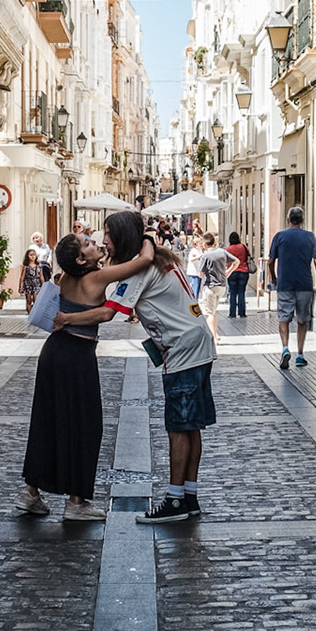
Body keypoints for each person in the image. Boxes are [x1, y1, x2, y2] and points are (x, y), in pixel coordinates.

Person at [62, 210, 217, 525]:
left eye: (107, 233)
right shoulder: (161, 257)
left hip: (182, 348)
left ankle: (175, 500)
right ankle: (189, 495)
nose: (103, 240)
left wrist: (65, 319)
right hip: (197, 342)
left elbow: (107, 314)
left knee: (178, 426)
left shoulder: (137, 271)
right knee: (191, 425)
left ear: (121, 237)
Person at [22, 232, 154, 521]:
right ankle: (76, 502)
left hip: (53, 352)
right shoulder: (98, 278)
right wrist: (146, 236)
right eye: (88, 244)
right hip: (77, 354)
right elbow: (145, 260)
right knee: (85, 426)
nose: (95, 243)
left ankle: (31, 493)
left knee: (46, 421)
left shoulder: (64, 278)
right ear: (82, 259)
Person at [266, 205, 316, 369]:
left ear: (288, 220)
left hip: (285, 284)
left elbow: (270, 261)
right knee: (302, 320)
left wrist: (274, 277)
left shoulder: (279, 236)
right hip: (305, 284)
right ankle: (300, 355)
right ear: (302, 220)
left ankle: (285, 348)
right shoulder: (310, 237)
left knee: (283, 318)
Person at [198, 237, 232, 342]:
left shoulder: (206, 255)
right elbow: (237, 261)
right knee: (213, 311)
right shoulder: (222, 252)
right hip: (221, 286)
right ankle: (216, 334)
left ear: (204, 245)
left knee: (208, 313)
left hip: (210, 286)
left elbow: (200, 274)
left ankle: (212, 338)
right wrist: (229, 271)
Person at [224, 231, 252, 318]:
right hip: (243, 271)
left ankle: (232, 313)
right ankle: (242, 312)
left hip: (232, 272)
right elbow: (249, 257)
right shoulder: (244, 247)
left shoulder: (227, 249)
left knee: (232, 292)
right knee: (241, 292)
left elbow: (225, 261)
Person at [21, 230, 48, 309]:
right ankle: (30, 314)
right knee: (28, 300)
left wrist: (44, 285)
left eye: (37, 237)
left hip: (36, 283)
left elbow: (41, 276)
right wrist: (20, 286)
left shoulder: (45, 247)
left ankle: (34, 314)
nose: (36, 239)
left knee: (36, 300)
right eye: (34, 238)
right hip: (28, 283)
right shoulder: (26, 265)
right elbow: (22, 276)